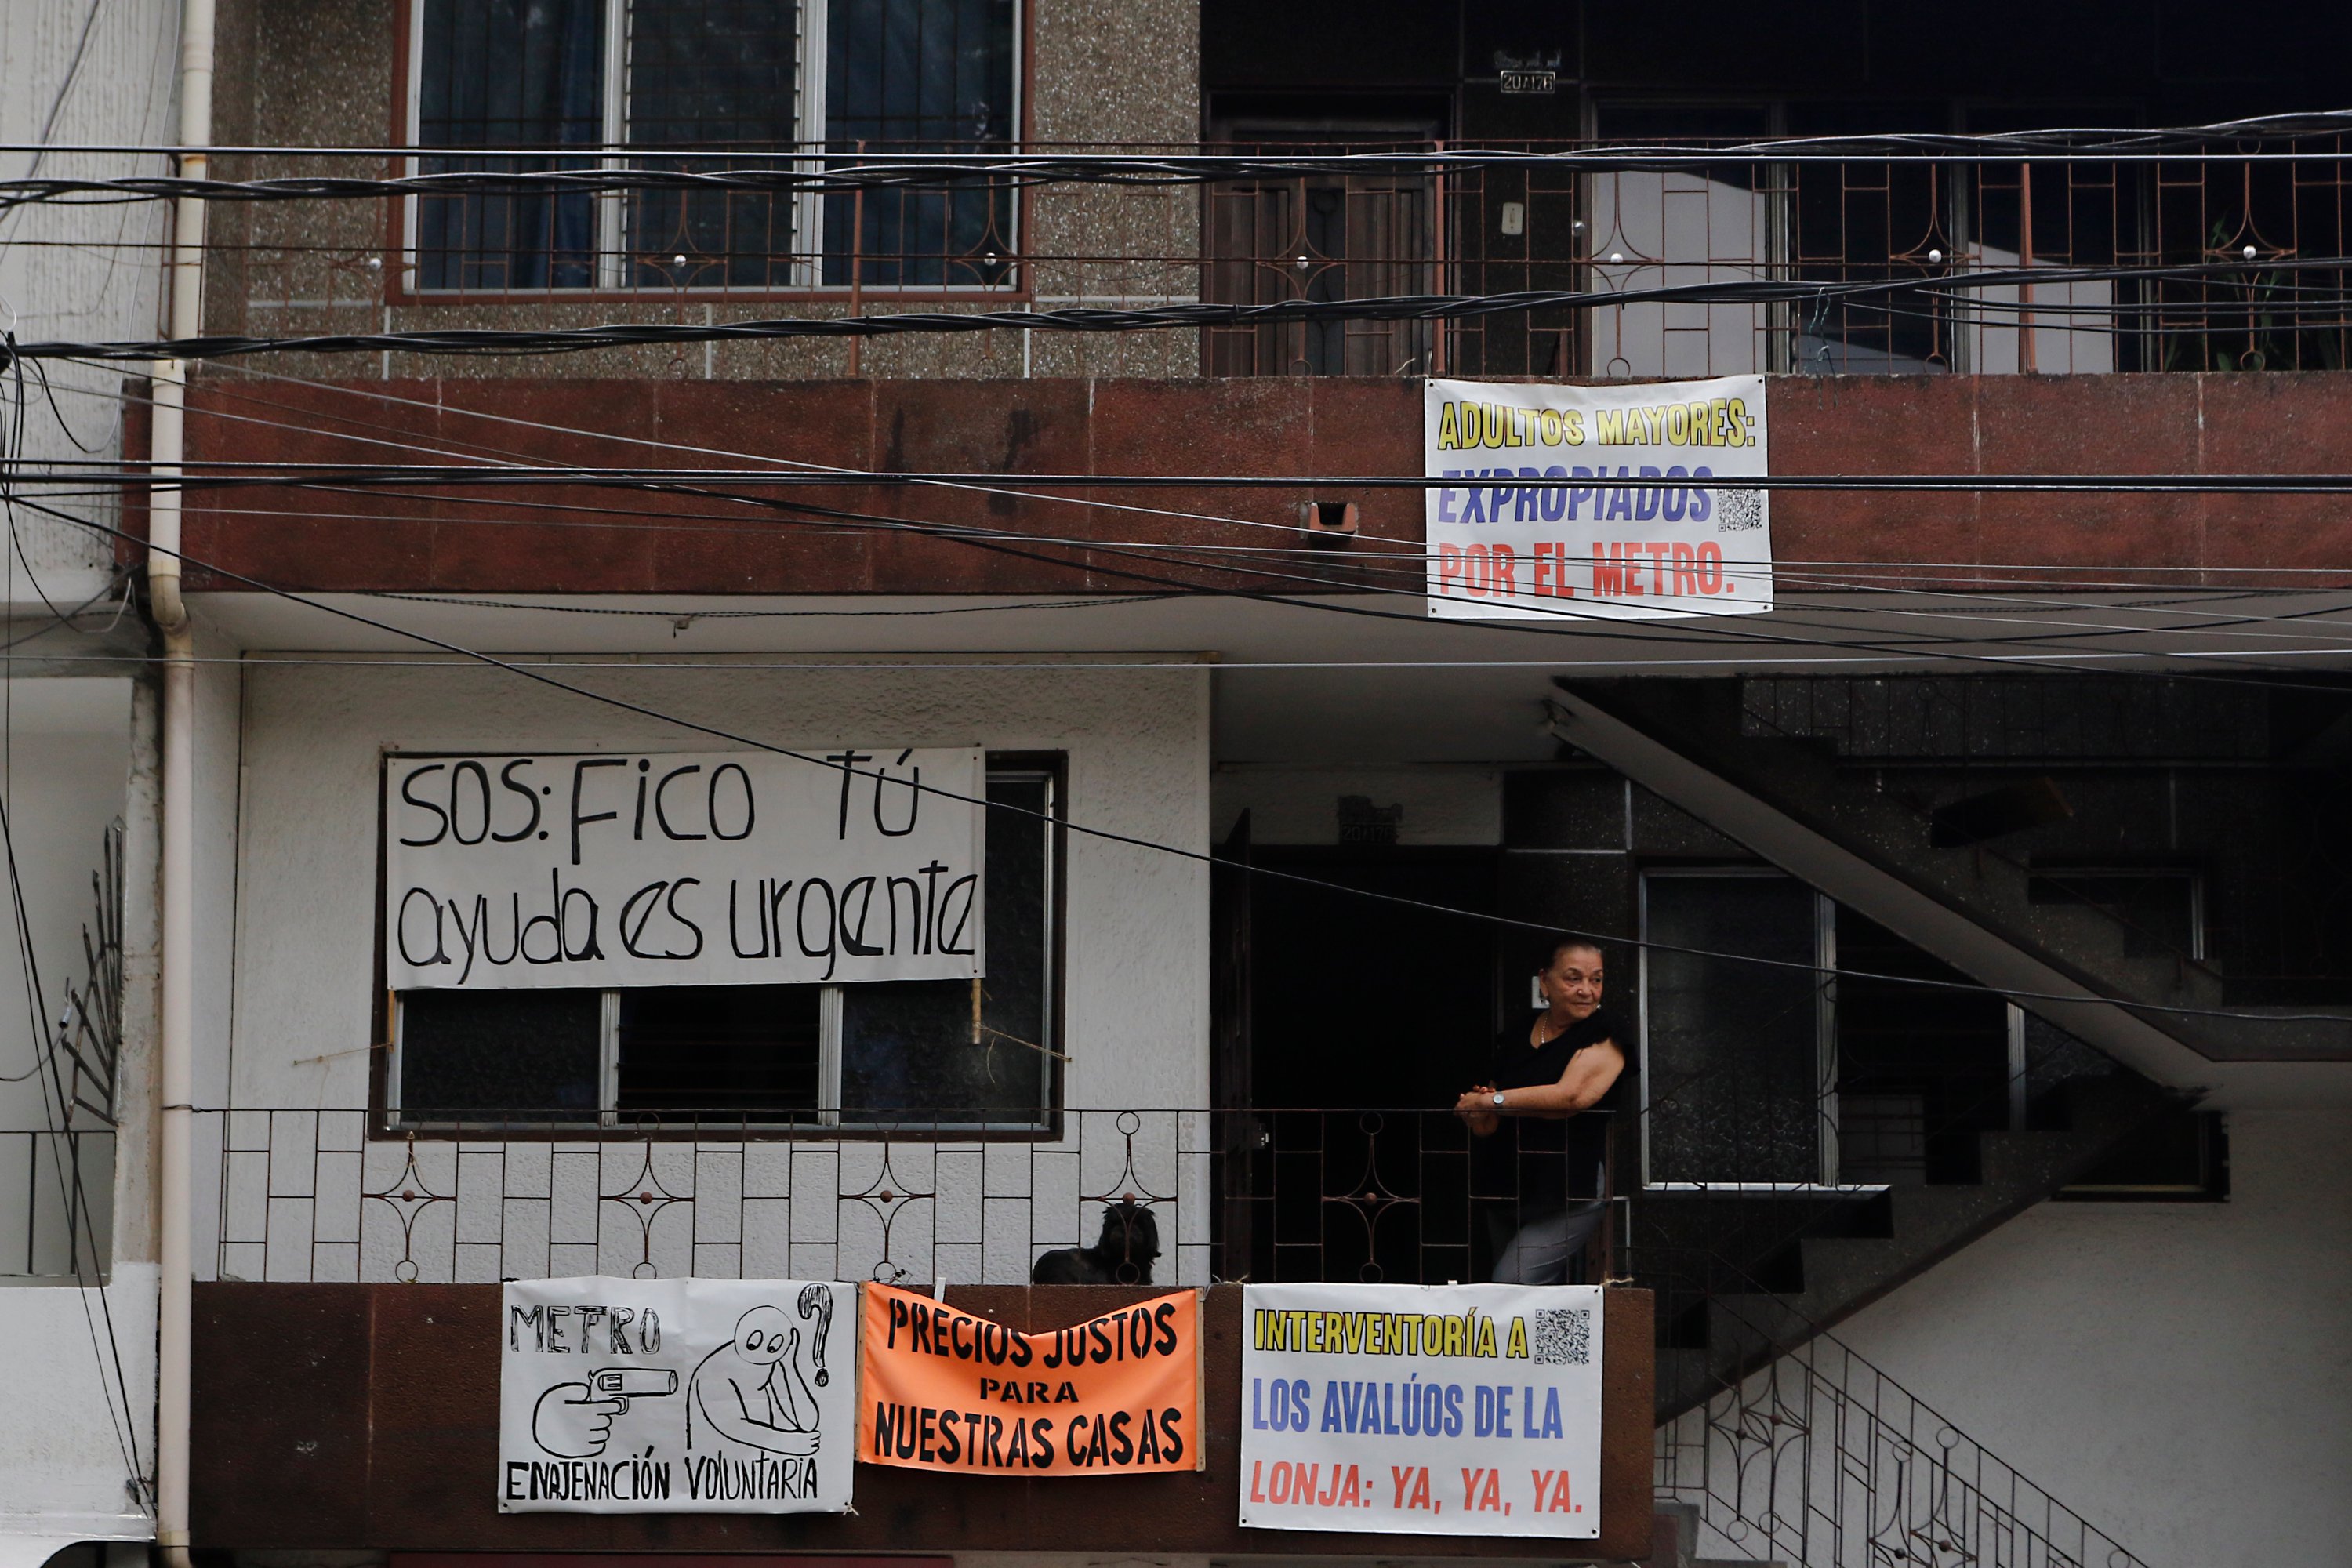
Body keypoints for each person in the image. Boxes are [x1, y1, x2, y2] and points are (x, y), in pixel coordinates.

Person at [1454, 938, 1628, 1285]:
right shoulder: (1519, 1033)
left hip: (1570, 1188)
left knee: (1511, 1283)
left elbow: (1569, 1099)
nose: (1587, 990)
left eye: (1597, 979)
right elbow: (1489, 1120)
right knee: (1508, 1297)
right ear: (1545, 982)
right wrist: (1477, 1111)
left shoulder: (1605, 1034)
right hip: (1509, 1184)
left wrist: (1494, 1101)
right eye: (1573, 978)